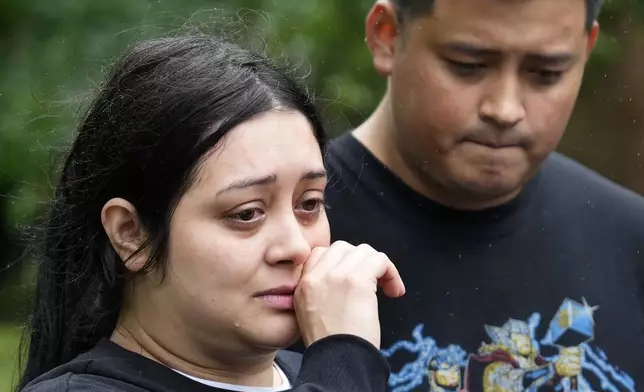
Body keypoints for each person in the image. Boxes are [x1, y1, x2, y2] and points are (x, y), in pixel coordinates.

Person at [16, 34, 406, 392]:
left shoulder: (320, 373)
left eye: (309, 204)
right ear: (131, 233)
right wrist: (345, 359)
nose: (297, 247)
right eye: (247, 213)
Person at [322, 0, 644, 391]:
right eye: (468, 65)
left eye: (546, 73)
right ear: (387, 35)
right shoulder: (282, 244)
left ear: (586, 50)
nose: (505, 109)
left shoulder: (631, 241)